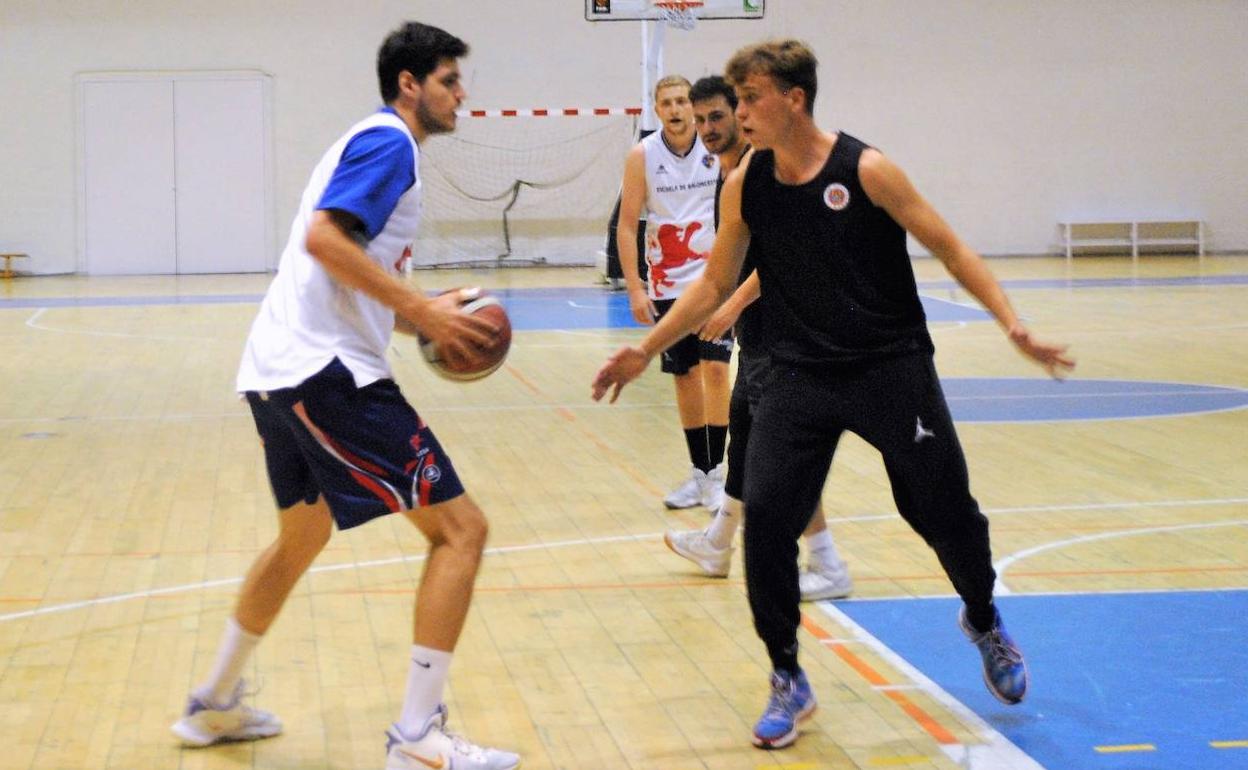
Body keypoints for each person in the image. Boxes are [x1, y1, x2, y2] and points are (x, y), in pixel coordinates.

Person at [593, 39, 1075, 750]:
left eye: (750, 98)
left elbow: (951, 248)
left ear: (793, 99)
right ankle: (788, 675)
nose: (739, 112)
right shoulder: (745, 183)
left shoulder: (868, 169)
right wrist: (647, 346)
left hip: (891, 368)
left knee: (945, 514)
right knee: (766, 529)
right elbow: (712, 282)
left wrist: (1014, 325)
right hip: (797, 376)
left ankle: (982, 615)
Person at [170, 22, 520, 770]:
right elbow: (326, 240)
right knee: (462, 533)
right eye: (450, 80)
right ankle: (418, 736)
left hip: (278, 368)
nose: (462, 94)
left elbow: (345, 258)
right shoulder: (389, 142)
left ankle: (215, 703)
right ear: (409, 84)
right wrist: (425, 314)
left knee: (303, 535)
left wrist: (415, 305)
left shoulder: (370, 145)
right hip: (327, 372)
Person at [664, 75, 851, 602]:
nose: (707, 129)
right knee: (747, 442)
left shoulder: (759, 171)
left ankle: (828, 563)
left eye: (716, 116)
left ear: (740, 114)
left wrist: (730, 304)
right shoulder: (730, 172)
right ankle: (719, 542)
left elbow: (783, 256)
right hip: (765, 338)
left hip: (791, 334)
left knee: (780, 452)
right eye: (700, 120)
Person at [617, 74, 731, 512]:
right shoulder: (642, 156)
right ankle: (699, 473)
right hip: (666, 281)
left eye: (682, 100)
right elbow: (628, 224)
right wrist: (635, 286)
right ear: (656, 109)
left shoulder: (715, 147)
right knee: (685, 377)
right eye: (667, 102)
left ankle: (718, 473)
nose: (676, 109)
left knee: (717, 370)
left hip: (713, 279)